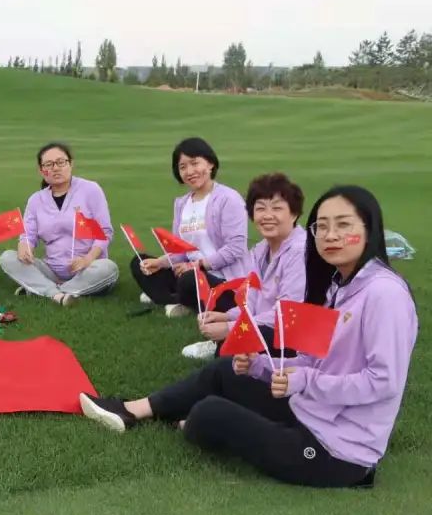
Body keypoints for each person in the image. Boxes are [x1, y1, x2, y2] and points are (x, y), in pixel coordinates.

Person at [81, 185, 417, 488]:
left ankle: (191, 420)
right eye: (322, 226)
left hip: (338, 451)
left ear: (370, 229)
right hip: (311, 411)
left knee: (209, 414)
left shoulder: (383, 294)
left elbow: (383, 382)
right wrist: (261, 366)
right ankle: (131, 410)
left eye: (343, 225)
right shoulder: (339, 286)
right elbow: (316, 359)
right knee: (226, 370)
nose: (331, 235)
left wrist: (304, 380)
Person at [182, 173, 307, 360]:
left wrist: (229, 328)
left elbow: (287, 315)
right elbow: (251, 301)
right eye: (260, 208)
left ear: (294, 214)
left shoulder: (300, 252)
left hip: (293, 335)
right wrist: (226, 317)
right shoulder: (261, 250)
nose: (267, 216)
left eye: (277, 208)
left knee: (232, 351)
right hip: (266, 326)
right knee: (231, 350)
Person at [131, 138, 249, 318]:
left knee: (190, 279)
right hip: (188, 271)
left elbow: (235, 249)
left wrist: (198, 265)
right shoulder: (182, 204)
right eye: (183, 167)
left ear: (210, 164)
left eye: (195, 163)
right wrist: (159, 263)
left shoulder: (228, 199)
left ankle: (177, 299)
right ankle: (179, 300)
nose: (190, 171)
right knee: (139, 262)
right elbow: (179, 251)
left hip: (222, 279)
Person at [0, 142, 118, 305]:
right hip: (51, 271)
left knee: (108, 268)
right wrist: (24, 246)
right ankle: (56, 293)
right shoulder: (36, 200)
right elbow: (28, 234)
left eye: (61, 162)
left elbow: (105, 232)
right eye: (49, 164)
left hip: (88, 269)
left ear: (71, 164)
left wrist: (87, 259)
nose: (55, 168)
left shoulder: (91, 190)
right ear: (41, 170)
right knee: (8, 257)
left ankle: (42, 289)